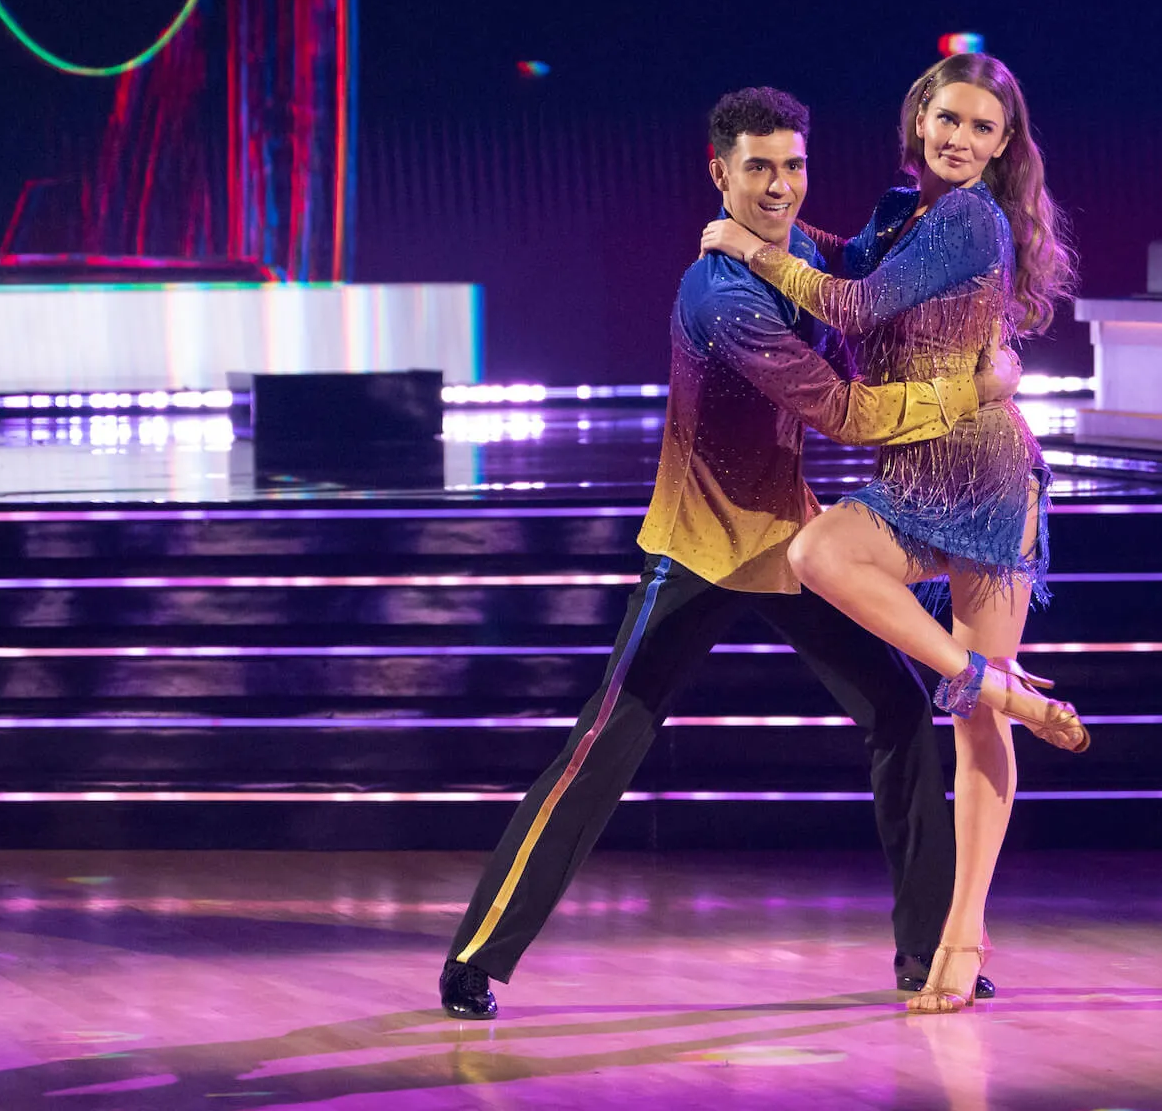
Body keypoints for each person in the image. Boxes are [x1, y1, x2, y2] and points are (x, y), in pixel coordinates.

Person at [439, 85, 1018, 1019]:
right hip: (702, 548)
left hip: (791, 541)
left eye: (793, 165)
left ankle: (928, 957)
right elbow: (843, 411)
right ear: (721, 174)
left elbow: (859, 271)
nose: (782, 185)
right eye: (760, 168)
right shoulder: (721, 293)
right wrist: (976, 395)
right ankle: (477, 955)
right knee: (605, 746)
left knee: (901, 719)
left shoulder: (787, 251)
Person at [700, 53, 1087, 1015]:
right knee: (821, 552)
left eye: (982, 130)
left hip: (989, 470)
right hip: (915, 468)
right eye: (948, 120)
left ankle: (964, 933)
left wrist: (748, 248)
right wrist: (774, 229)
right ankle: (985, 679)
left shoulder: (971, 216)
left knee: (977, 736)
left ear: (1003, 147)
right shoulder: (899, 210)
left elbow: (858, 304)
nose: (960, 140)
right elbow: (844, 264)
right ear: (919, 119)